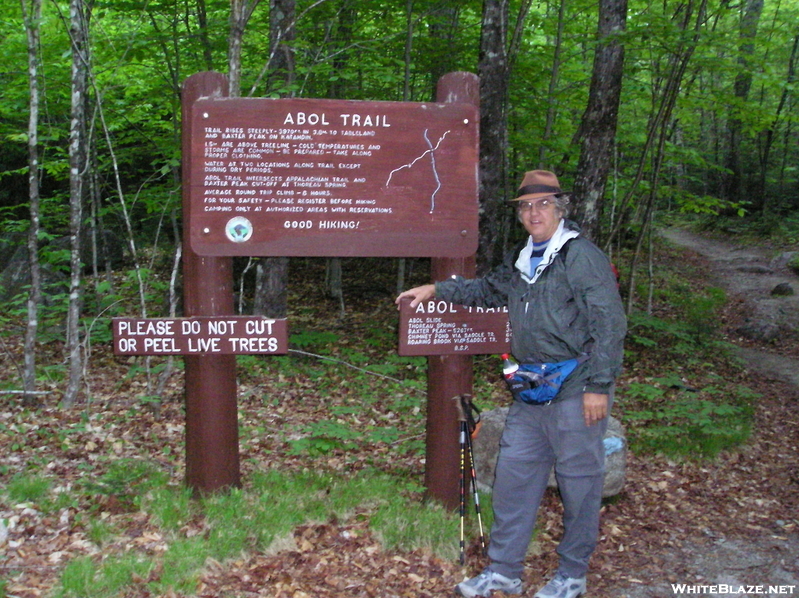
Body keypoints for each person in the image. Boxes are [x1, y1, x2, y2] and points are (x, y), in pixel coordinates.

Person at [396, 170, 626, 598]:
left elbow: (609, 322)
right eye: (526, 205)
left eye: (542, 204)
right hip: (532, 389)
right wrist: (437, 288)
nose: (533, 212)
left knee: (580, 484)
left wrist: (599, 383)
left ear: (560, 209)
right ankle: (504, 572)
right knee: (514, 478)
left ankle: (572, 575)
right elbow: (487, 290)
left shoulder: (580, 256)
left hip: (578, 387)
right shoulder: (523, 260)